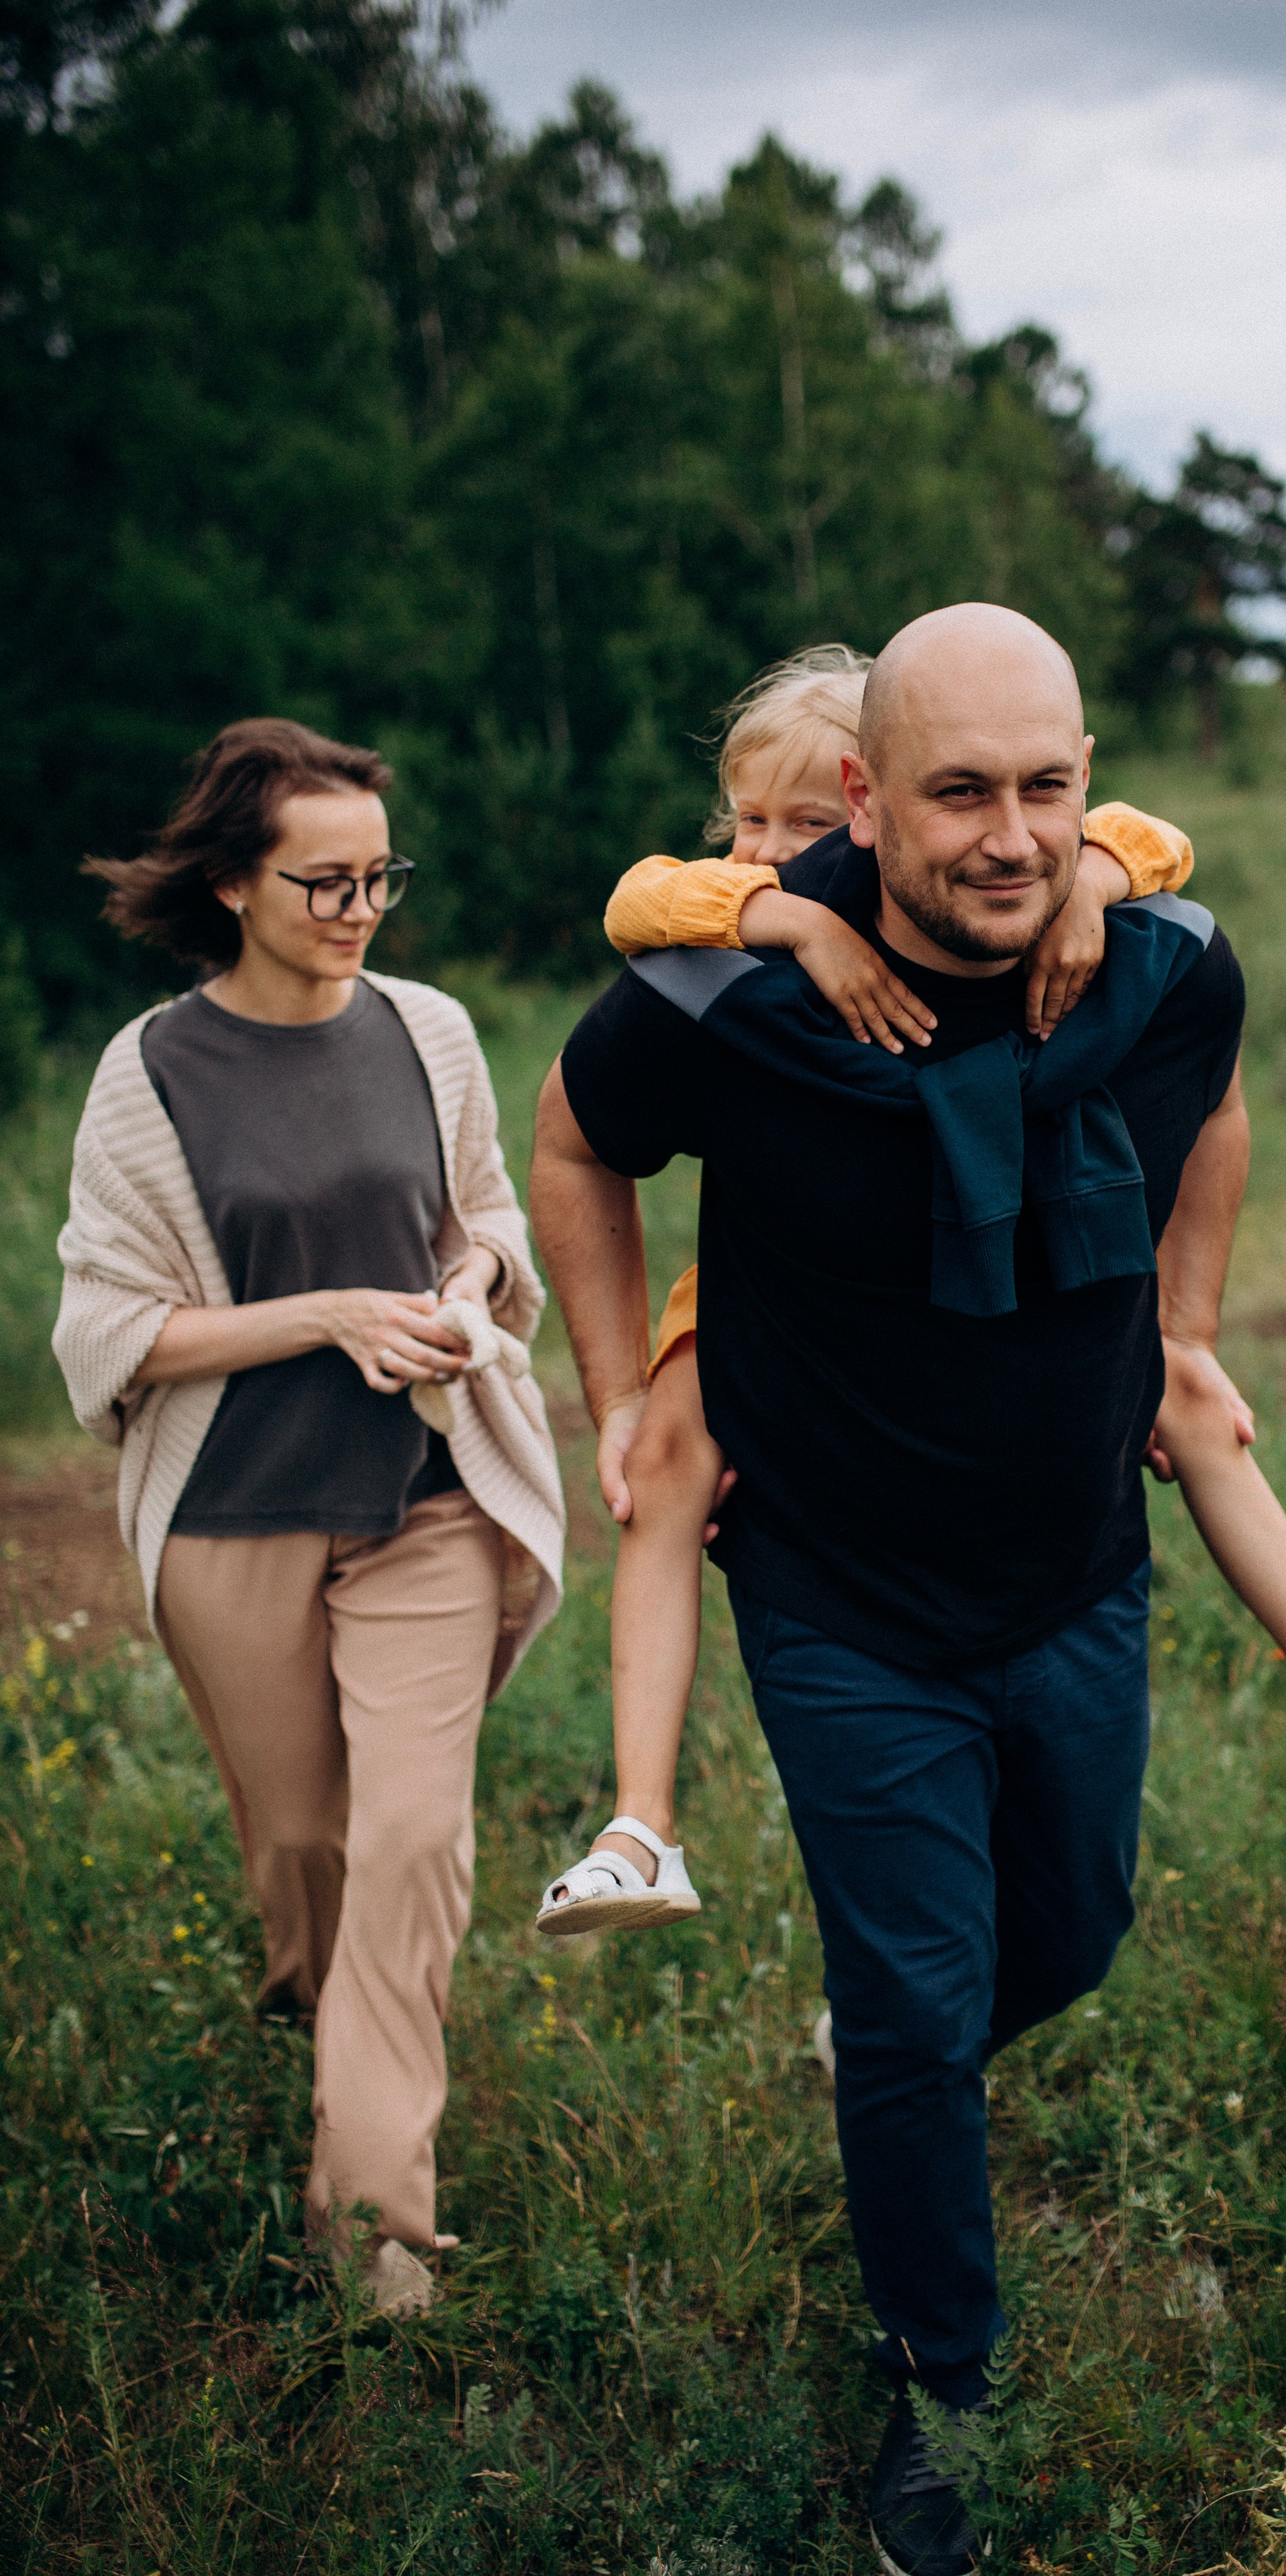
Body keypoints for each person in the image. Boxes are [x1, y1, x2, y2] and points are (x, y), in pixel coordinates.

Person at [536, 648, 1286, 1939]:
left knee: (1196, 1409)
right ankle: (641, 1821)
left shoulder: (1113, 919)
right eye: (748, 825)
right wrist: (797, 919)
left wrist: (1096, 885)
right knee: (665, 1467)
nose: (766, 855)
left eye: (802, 829)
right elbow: (637, 916)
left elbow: (1159, 879)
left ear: (866, 810)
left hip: (1064, 1522)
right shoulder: (738, 950)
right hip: (778, 1354)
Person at [53, 718, 565, 2320]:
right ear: (229, 883)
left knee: (412, 1844)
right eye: (323, 882)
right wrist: (324, 1312)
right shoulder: (149, 1074)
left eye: (377, 878)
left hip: (423, 1499)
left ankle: (378, 2233)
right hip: (236, 1515)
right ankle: (324, 2000)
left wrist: (468, 1282)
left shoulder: (430, 1031)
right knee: (307, 1850)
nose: (360, 910)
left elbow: (483, 1219)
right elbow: (110, 1335)